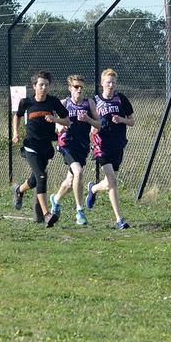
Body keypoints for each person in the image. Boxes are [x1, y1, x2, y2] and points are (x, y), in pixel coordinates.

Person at [11, 71, 71, 227]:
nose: (43, 88)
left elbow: (67, 121)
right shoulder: (26, 102)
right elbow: (17, 116)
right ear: (34, 86)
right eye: (41, 85)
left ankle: (19, 190)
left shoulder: (53, 102)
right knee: (41, 176)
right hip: (30, 145)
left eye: (46, 85)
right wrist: (16, 132)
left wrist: (55, 119)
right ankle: (46, 215)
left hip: (46, 146)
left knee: (34, 180)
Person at [47, 74, 100, 226]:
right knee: (78, 172)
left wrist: (89, 120)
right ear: (70, 88)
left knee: (71, 181)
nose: (79, 90)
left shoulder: (89, 103)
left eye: (81, 87)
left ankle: (55, 200)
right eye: (76, 87)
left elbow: (99, 124)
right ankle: (80, 211)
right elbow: (55, 122)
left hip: (82, 146)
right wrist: (59, 127)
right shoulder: (64, 103)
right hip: (66, 144)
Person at [85, 69, 135, 229]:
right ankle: (119, 219)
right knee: (112, 181)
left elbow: (132, 121)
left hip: (117, 143)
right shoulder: (94, 101)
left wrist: (121, 119)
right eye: (108, 82)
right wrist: (92, 129)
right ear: (102, 83)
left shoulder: (121, 99)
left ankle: (92, 188)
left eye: (113, 82)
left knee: (108, 182)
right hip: (101, 144)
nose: (111, 85)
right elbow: (89, 122)